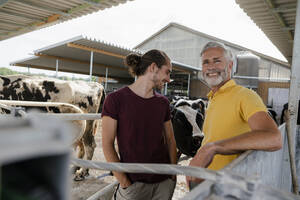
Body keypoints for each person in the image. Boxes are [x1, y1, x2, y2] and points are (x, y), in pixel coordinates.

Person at [187, 41, 282, 186]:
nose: (211, 67)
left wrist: (212, 148)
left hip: (229, 188)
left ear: (230, 66)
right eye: (206, 62)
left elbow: (274, 138)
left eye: (217, 61)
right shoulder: (212, 99)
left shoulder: (245, 96)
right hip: (208, 184)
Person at [101, 49, 177, 200]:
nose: (169, 79)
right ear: (153, 67)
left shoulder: (163, 103)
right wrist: (125, 183)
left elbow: (170, 140)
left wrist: (172, 175)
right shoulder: (115, 100)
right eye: (167, 72)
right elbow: (107, 144)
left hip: (164, 183)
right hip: (133, 185)